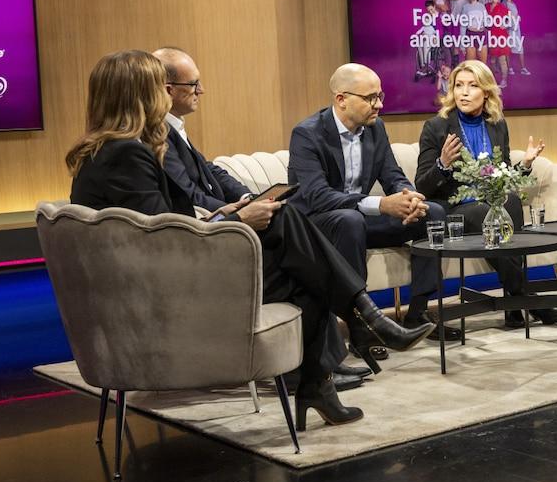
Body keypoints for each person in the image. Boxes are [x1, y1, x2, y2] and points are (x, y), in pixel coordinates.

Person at [67, 51, 434, 430]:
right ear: (137, 95)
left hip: (175, 270)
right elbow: (166, 236)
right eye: (157, 88)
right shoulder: (125, 155)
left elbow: (170, 222)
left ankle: (325, 371)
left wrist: (236, 212)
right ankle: (358, 328)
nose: (165, 95)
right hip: (165, 289)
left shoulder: (117, 150)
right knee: (300, 255)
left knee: (298, 252)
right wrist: (238, 217)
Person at [152, 47, 378, 392]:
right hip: (203, 246)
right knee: (301, 248)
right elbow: (189, 198)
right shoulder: (153, 139)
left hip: (218, 232)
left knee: (294, 238)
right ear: (168, 89)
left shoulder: (174, 129)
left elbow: (210, 171)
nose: (201, 91)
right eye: (194, 84)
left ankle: (327, 360)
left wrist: (246, 198)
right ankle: (355, 327)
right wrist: (238, 213)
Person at [288, 63, 461, 341]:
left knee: (433, 213)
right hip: (320, 225)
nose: (379, 104)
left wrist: (408, 197)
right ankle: (361, 327)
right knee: (349, 220)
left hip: (360, 220)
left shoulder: (375, 128)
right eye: (370, 98)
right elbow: (317, 196)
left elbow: (392, 175)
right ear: (341, 100)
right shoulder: (307, 134)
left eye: (380, 96)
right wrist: (381, 205)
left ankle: (418, 312)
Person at [414, 60, 557, 328]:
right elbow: (422, 186)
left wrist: (526, 165)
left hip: (489, 202)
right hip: (455, 209)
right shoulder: (436, 127)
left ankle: (513, 306)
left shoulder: (496, 124)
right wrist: (443, 164)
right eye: (458, 85)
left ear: (486, 92)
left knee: (511, 202)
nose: (463, 92)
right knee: (487, 212)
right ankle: (526, 298)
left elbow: (502, 175)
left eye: (472, 86)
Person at [485, 0, 511, 87]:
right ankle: (493, 80)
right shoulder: (486, 6)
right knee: (491, 60)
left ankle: (504, 80)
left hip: (501, 36)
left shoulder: (502, 7)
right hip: (491, 37)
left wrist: (506, 25)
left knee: (502, 60)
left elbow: (510, 18)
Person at [502, 0, 529, 76]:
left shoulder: (513, 3)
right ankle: (509, 68)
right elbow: (504, 17)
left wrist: (518, 18)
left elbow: (516, 15)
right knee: (508, 49)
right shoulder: (504, 3)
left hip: (517, 29)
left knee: (520, 49)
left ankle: (523, 68)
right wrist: (510, 21)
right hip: (509, 29)